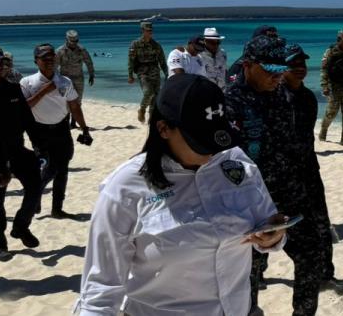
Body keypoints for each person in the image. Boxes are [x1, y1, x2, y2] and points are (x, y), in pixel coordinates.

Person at [76, 73, 288, 315]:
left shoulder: (238, 165)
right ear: (164, 129)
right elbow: (100, 290)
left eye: (217, 137)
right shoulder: (125, 188)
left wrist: (273, 237)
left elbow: (266, 225)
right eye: (200, 141)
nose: (213, 151)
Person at [225, 35, 325, 316]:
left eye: (281, 69)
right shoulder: (229, 102)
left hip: (291, 192)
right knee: (249, 272)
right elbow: (225, 164)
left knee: (311, 254)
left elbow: (294, 144)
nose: (277, 76)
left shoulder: (282, 94)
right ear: (247, 65)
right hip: (250, 202)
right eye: (270, 70)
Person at [281, 43, 343, 294]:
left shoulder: (308, 97)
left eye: (302, 64)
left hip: (309, 173)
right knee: (279, 232)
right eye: (293, 64)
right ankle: (257, 280)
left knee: (322, 226)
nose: (300, 68)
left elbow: (307, 139)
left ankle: (325, 276)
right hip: (282, 178)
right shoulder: (273, 97)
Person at [20, 43, 93, 219]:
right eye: (44, 58)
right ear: (36, 61)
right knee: (49, 167)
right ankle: (36, 195)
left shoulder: (65, 81)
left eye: (52, 57)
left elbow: (74, 106)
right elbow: (23, 108)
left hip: (62, 128)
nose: (49, 61)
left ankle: (57, 209)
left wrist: (84, 128)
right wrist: (44, 91)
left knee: (63, 169)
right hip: (39, 131)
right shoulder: (27, 82)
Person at [0, 45, 42, 261]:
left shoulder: (13, 89)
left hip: (17, 150)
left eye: (1, 62)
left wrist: (39, 146)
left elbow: (28, 121)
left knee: (35, 187)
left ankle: (20, 226)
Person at [128, 21, 168, 124]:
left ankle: (151, 119)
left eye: (151, 30)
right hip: (143, 73)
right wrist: (130, 75)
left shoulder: (156, 45)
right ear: (142, 31)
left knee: (156, 96)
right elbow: (131, 61)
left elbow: (162, 61)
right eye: (147, 30)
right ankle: (142, 109)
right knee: (148, 92)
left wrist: (167, 74)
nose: (150, 32)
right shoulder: (135, 44)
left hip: (155, 72)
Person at [55, 30, 95, 106]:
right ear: (66, 40)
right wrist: (55, 80)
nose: (74, 43)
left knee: (78, 102)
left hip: (78, 79)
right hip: (64, 79)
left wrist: (91, 75)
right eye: (72, 41)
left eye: (76, 41)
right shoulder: (60, 51)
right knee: (65, 102)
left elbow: (89, 62)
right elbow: (54, 67)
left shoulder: (82, 50)